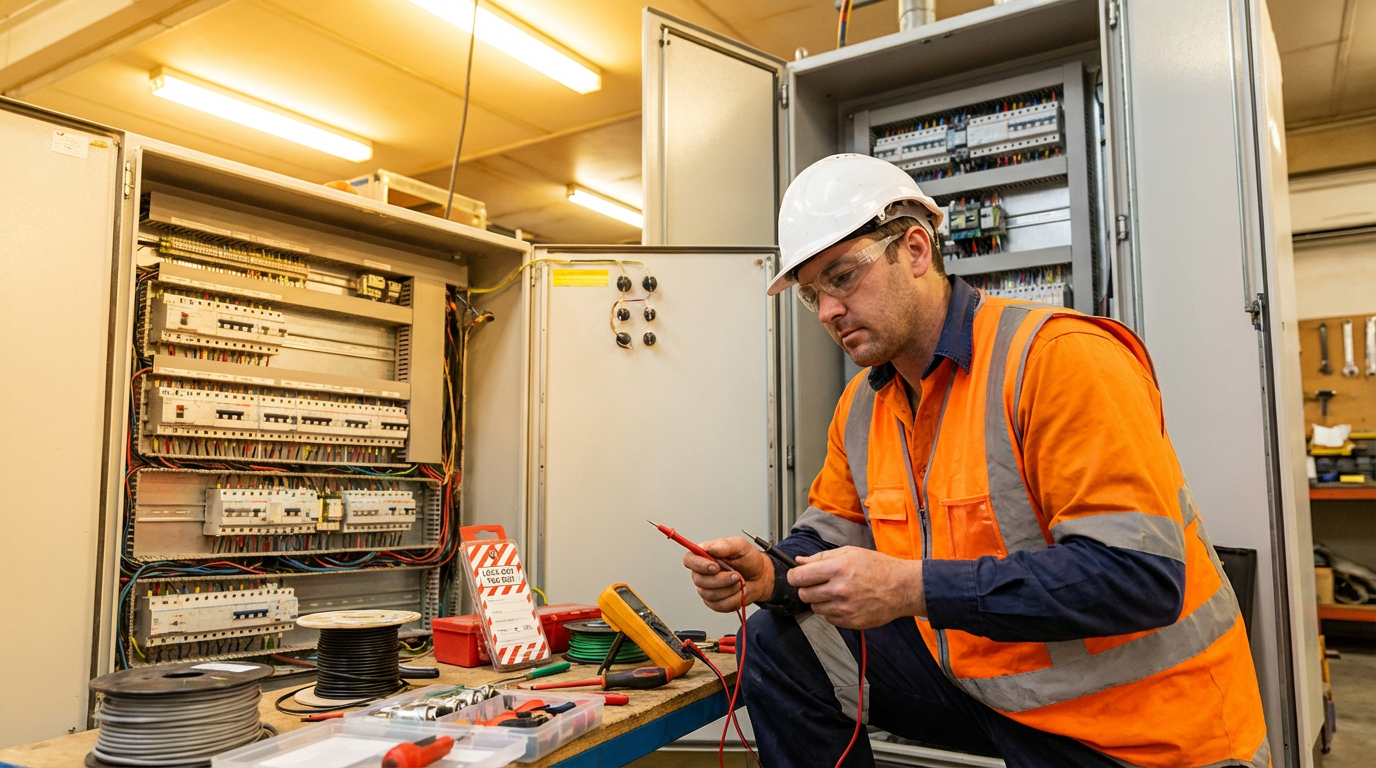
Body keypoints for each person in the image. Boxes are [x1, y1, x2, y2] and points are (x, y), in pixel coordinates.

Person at [681, 154, 1269, 767]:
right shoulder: (862, 406)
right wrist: (773, 573)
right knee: (776, 643)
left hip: (1142, 731)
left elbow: (1138, 579)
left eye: (842, 276)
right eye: (811, 294)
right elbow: (829, 535)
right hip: (995, 693)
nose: (828, 310)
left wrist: (913, 588)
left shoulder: (1059, 360)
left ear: (914, 250)